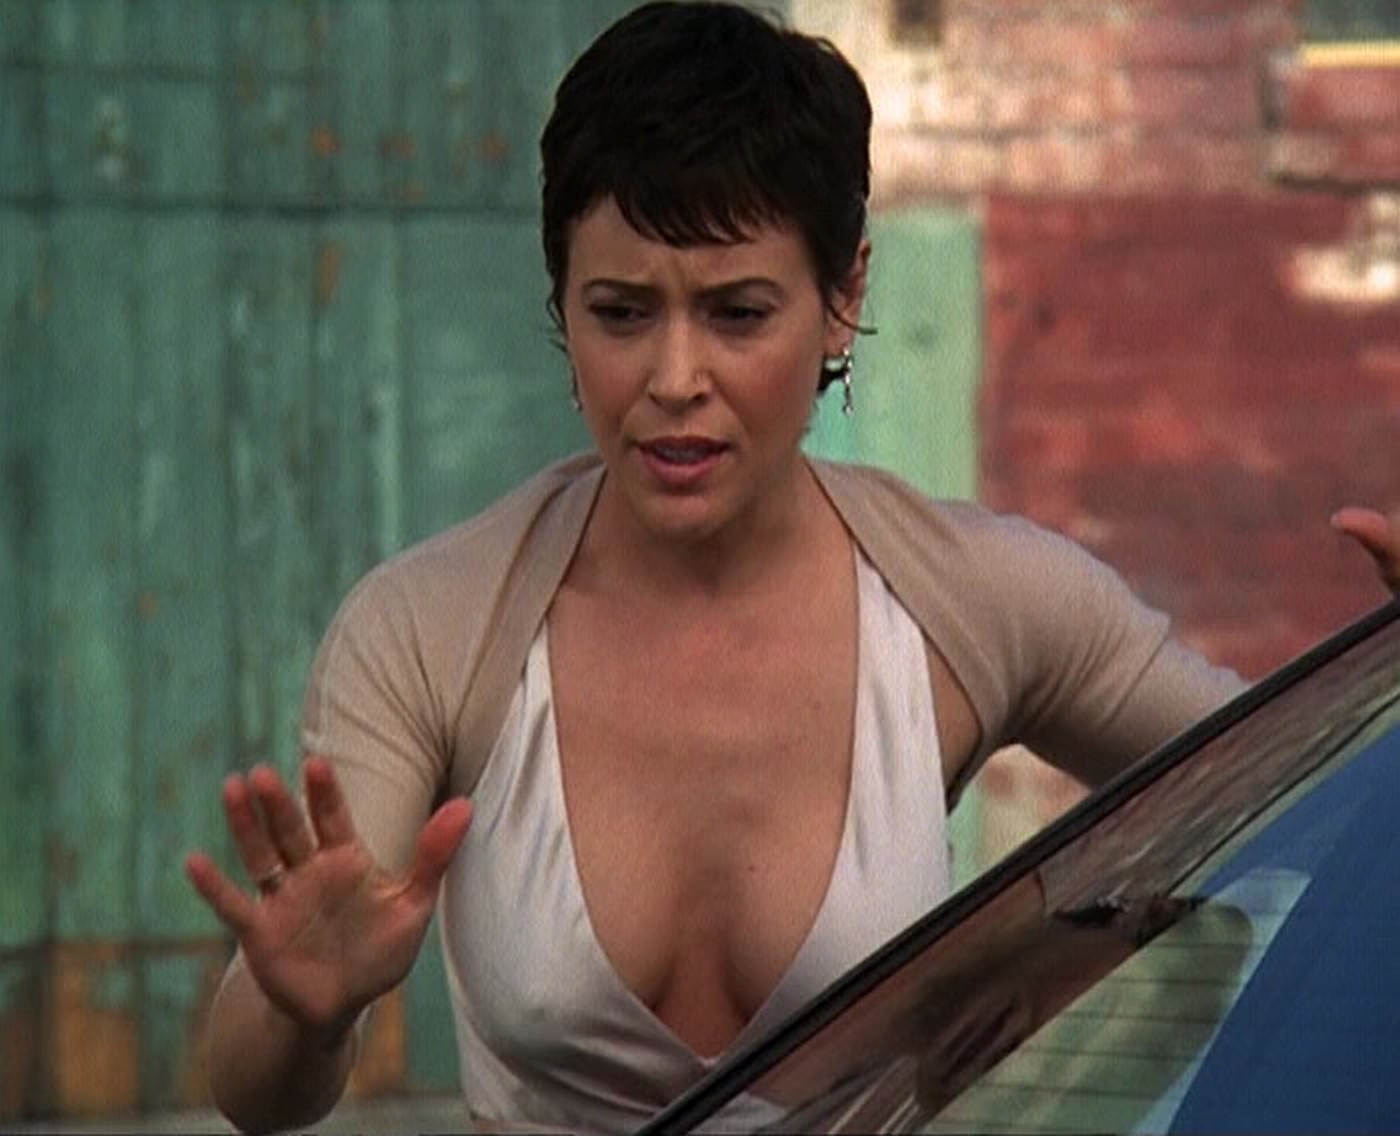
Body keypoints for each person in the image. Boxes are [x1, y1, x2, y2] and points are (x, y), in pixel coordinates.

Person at [184, 3, 1400, 1133]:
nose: (673, 379)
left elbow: (1317, 812)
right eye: (620, 312)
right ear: (560, 302)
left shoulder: (976, 602)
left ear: (841, 296)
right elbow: (256, 1093)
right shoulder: (431, 629)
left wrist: (1387, 698)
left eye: (736, 312)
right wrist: (304, 1008)